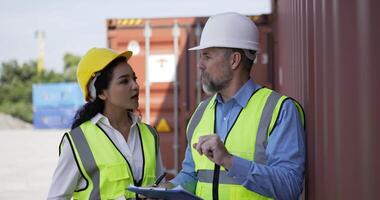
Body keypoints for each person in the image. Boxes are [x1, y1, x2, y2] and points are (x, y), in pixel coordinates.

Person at [166, 12, 306, 200]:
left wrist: (229, 161)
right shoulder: (201, 113)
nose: (200, 64)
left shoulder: (279, 110)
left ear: (234, 60)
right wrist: (166, 190)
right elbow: (192, 176)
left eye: (207, 56)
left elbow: (290, 186)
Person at [47, 48, 165, 199]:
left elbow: (161, 187)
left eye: (134, 78)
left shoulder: (149, 134)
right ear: (101, 92)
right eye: (124, 81)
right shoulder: (78, 142)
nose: (135, 86)